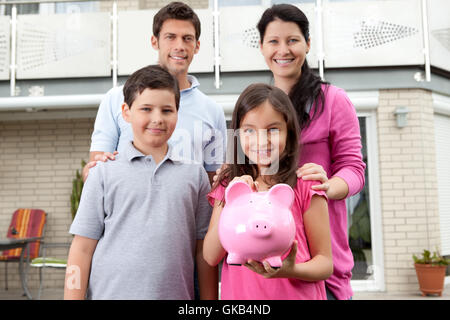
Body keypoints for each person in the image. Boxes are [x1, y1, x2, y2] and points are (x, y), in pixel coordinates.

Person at [64, 65, 216, 300]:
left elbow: (202, 252)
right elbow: (81, 250)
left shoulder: (194, 175)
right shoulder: (103, 173)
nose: (157, 119)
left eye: (167, 110)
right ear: (126, 112)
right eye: (146, 109)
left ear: (178, 112)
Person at [257, 4, 366, 300]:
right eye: (274, 41)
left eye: (292, 40)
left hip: (319, 261)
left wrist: (328, 186)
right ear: (261, 46)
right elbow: (240, 169)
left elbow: (354, 170)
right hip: (265, 260)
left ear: (308, 43)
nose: (283, 50)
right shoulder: (255, 104)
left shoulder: (333, 100)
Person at [203, 83, 333, 300]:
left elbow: (325, 263)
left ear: (288, 133)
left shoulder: (306, 185)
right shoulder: (228, 186)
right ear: (237, 134)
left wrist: (291, 271)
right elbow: (210, 256)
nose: (261, 140)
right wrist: (232, 201)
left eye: (273, 129)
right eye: (249, 131)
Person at [83, 2, 226, 184]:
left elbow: (214, 184)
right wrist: (90, 171)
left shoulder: (213, 111)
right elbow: (96, 171)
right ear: (154, 41)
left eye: (187, 38)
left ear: (197, 46)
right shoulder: (116, 99)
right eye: (170, 37)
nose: (179, 46)